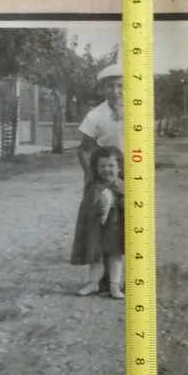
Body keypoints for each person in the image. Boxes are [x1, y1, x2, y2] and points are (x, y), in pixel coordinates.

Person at [71, 63, 125, 294]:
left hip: (131, 175)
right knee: (99, 226)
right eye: (110, 86)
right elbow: (83, 149)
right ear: (103, 89)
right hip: (104, 174)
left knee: (123, 228)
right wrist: (93, 177)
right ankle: (95, 280)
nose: (116, 91)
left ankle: (118, 281)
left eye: (121, 86)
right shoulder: (96, 115)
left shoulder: (138, 109)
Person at [72, 146, 125, 299]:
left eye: (111, 166)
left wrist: (118, 198)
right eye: (102, 166)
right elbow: (87, 207)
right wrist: (101, 199)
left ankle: (114, 285)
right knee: (96, 255)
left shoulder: (123, 185)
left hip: (116, 227)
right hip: (97, 228)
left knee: (115, 255)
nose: (106, 170)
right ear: (95, 168)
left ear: (119, 167)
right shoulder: (94, 186)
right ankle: (93, 283)